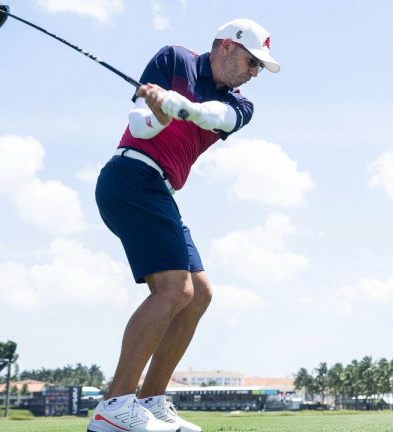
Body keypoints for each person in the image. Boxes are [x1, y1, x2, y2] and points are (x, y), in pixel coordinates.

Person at [88, 18, 280, 432]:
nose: (254, 73)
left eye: (260, 67)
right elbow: (140, 125)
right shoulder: (174, 59)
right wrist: (160, 110)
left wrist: (186, 109)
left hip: (160, 191)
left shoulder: (242, 104)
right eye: (252, 62)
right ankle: (115, 406)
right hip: (131, 176)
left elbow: (220, 117)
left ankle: (151, 400)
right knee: (176, 288)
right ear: (227, 46)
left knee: (199, 294)